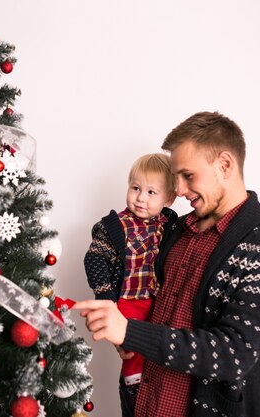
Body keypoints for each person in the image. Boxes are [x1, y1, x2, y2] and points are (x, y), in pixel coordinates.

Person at [74, 111, 260, 417]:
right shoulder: (173, 229)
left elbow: (233, 354)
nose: (177, 190)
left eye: (187, 176)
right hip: (140, 400)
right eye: (176, 177)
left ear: (225, 165)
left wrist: (129, 331)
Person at [84, 153, 177, 416]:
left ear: (168, 199)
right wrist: (105, 298)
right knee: (131, 344)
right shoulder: (115, 226)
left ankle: (148, 386)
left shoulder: (169, 225)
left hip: (155, 299)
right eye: (135, 188)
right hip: (127, 299)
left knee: (156, 347)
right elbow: (95, 259)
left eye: (151, 192)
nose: (140, 198)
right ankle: (133, 384)